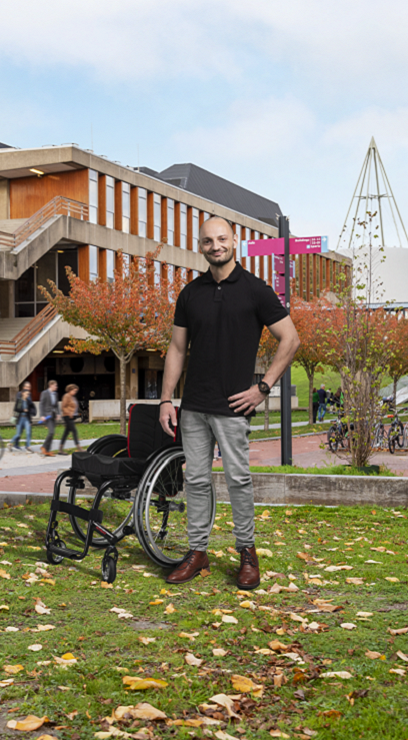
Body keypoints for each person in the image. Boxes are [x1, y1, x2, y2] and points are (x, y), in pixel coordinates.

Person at [159, 216, 300, 590]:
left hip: (234, 407)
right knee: (196, 480)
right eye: (208, 241)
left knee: (238, 480)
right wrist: (166, 399)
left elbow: (290, 339)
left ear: (234, 241)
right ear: (200, 246)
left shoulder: (256, 291)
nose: (215, 246)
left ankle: (247, 554)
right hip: (194, 406)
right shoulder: (190, 294)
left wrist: (263, 388)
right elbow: (177, 348)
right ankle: (197, 552)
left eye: (221, 239)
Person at [10, 382, 36, 452]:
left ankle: (28, 446)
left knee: (28, 432)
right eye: (27, 387)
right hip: (20, 418)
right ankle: (11, 443)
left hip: (26, 418)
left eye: (29, 387)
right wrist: (23, 409)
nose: (28, 390)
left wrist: (30, 420)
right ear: (23, 392)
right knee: (18, 434)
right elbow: (16, 409)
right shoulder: (19, 398)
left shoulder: (28, 400)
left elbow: (30, 409)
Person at [39, 380, 61, 457]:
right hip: (47, 416)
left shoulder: (55, 394)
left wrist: (58, 413)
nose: (56, 387)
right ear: (51, 385)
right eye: (55, 385)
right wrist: (42, 415)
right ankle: (44, 447)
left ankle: (47, 450)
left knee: (52, 433)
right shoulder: (44, 393)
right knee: (51, 432)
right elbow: (41, 404)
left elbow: (56, 405)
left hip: (53, 416)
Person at [58, 384, 82, 453]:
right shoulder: (66, 396)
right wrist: (69, 413)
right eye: (74, 391)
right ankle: (79, 447)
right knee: (74, 431)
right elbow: (63, 407)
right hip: (67, 416)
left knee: (66, 432)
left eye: (76, 391)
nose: (75, 392)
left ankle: (60, 449)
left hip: (72, 417)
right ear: (70, 390)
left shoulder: (72, 397)